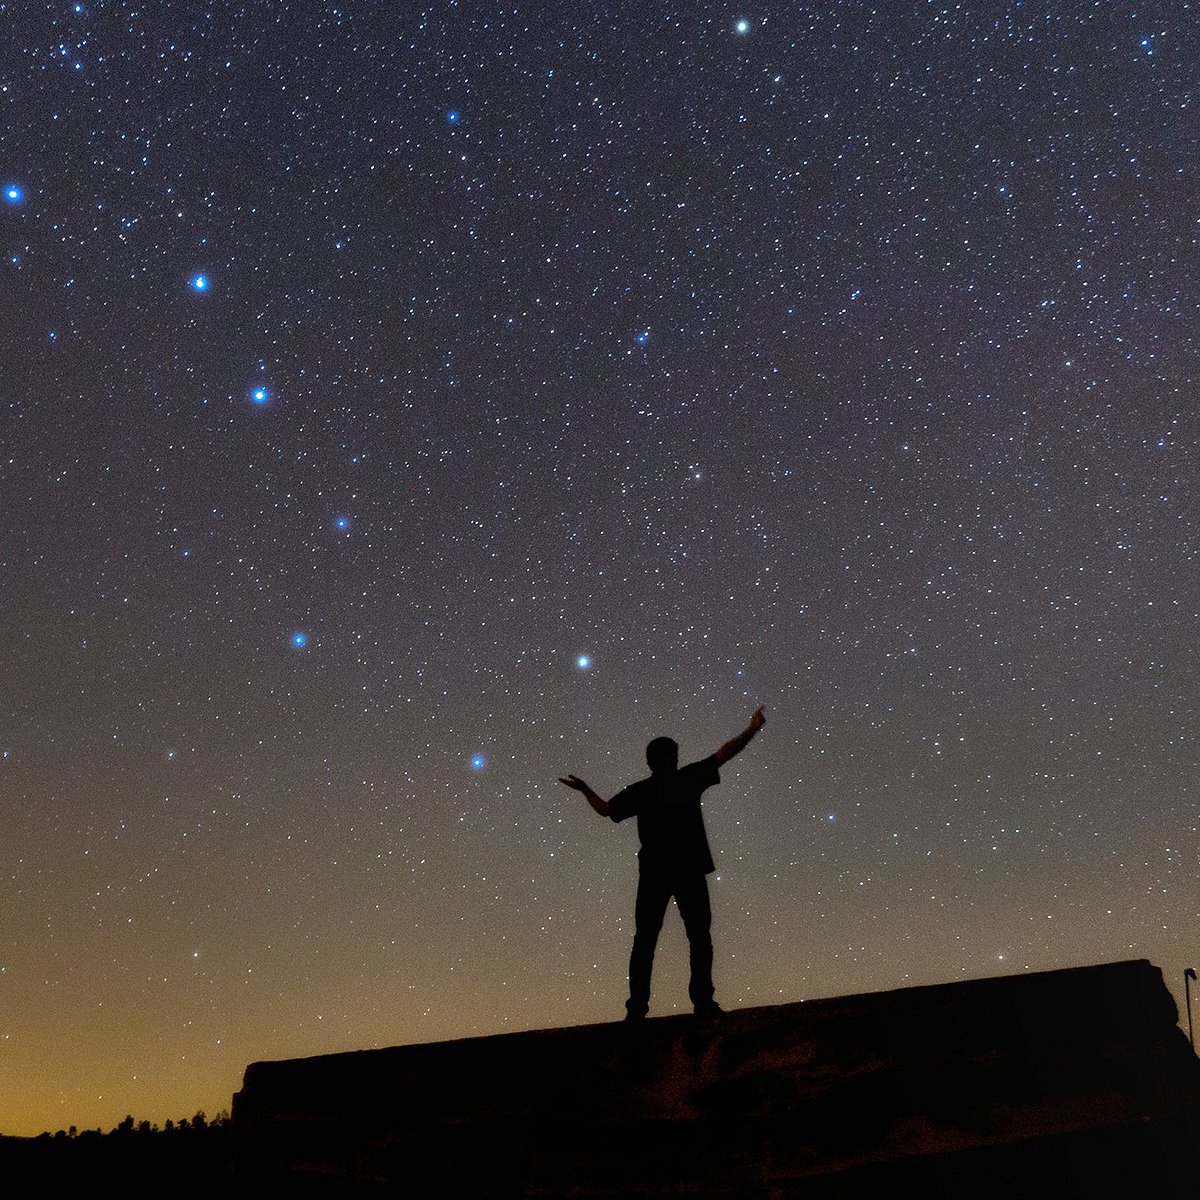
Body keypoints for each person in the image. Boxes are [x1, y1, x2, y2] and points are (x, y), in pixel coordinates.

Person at [559, 706, 766, 1020]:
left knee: (645, 941)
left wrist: (586, 789)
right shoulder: (688, 778)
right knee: (698, 937)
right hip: (689, 869)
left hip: (655, 872)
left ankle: (637, 1009)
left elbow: (604, 810)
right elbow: (724, 753)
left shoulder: (642, 791)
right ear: (674, 757)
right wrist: (752, 730)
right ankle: (703, 1003)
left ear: (649, 762)